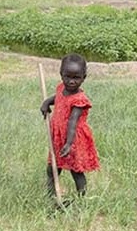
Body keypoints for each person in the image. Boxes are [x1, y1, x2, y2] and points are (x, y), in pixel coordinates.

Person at [40, 54, 100, 201]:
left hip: (73, 139)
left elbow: (72, 122)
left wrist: (68, 143)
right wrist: (47, 102)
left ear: (84, 77)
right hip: (58, 137)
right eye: (67, 77)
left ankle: (82, 197)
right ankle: (52, 194)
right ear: (61, 74)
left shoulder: (79, 100)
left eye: (76, 78)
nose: (71, 81)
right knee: (53, 167)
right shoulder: (62, 89)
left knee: (75, 170)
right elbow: (58, 98)